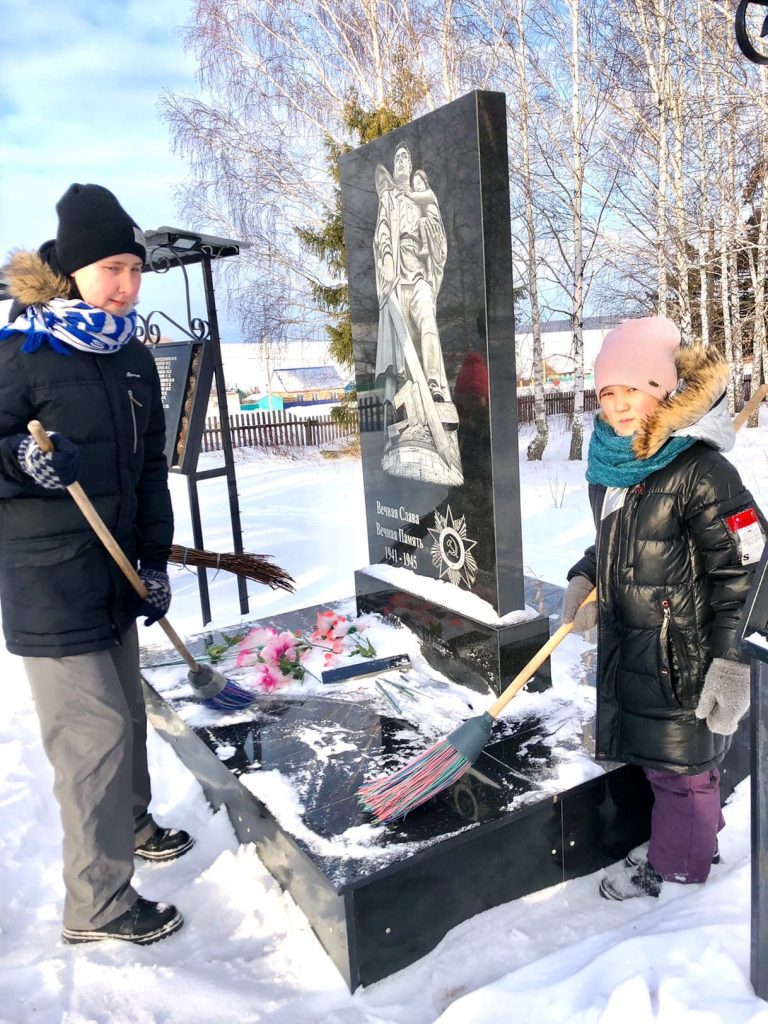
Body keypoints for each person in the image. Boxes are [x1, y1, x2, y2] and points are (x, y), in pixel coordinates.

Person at [0, 183, 194, 945]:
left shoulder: (130, 358)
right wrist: (20, 460)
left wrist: (154, 561)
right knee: (94, 733)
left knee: (128, 716)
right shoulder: (21, 353)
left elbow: (149, 474)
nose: (126, 285)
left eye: (135, 269)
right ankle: (98, 904)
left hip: (115, 572)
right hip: (49, 580)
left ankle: (132, 825)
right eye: (112, 268)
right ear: (73, 269)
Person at [561, 316, 766, 900]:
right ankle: (695, 842)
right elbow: (616, 542)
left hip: (687, 655)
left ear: (666, 391)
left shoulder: (703, 471)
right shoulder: (613, 466)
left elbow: (750, 566)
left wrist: (731, 662)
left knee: (684, 771)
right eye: (608, 392)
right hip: (637, 646)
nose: (619, 405)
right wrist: (585, 575)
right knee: (665, 766)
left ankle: (679, 875)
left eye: (634, 389)